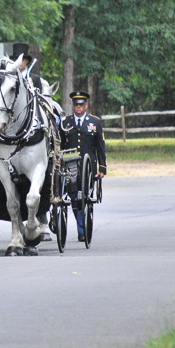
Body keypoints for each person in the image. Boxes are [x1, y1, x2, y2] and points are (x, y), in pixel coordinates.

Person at [60, 91, 106, 242]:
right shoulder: (65, 123)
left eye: (81, 105)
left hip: (89, 167)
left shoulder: (95, 122)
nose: (78, 107)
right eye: (76, 105)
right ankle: (81, 229)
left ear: (86, 105)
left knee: (85, 197)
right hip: (71, 165)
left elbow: (100, 146)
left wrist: (102, 167)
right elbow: (61, 145)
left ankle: (84, 226)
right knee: (74, 197)